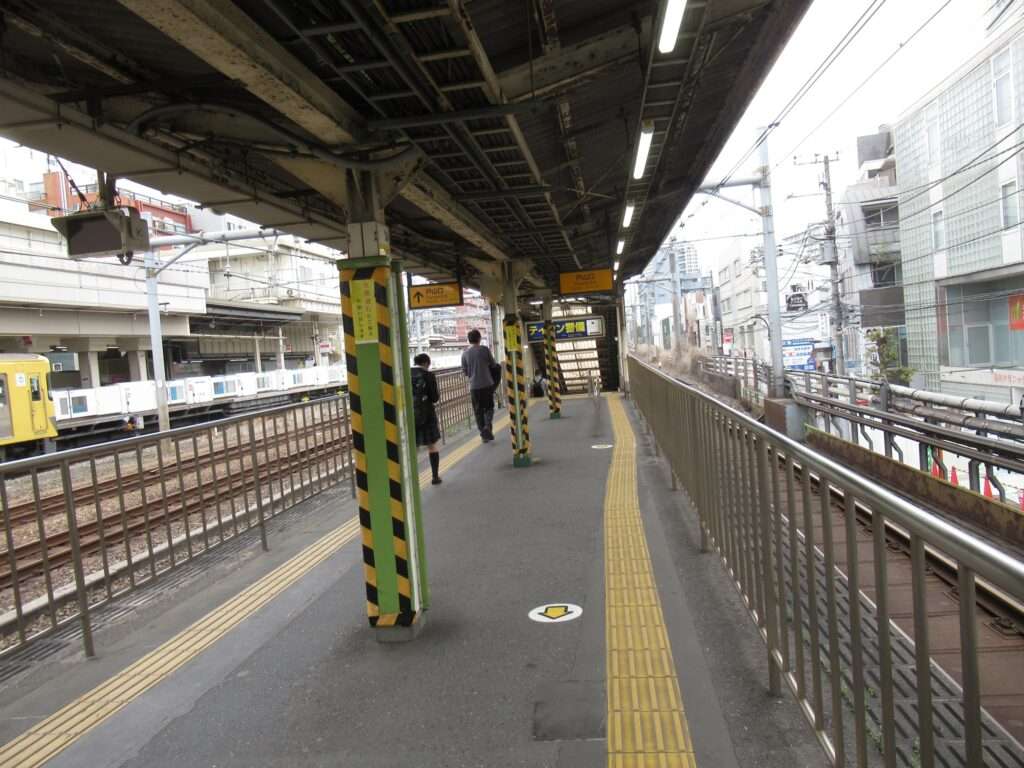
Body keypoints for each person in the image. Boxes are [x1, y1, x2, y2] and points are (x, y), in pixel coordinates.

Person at [411, 353, 443, 485]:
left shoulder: (406, 374)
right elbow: (435, 397)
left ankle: (412, 480)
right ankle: (435, 477)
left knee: (414, 448)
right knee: (432, 445)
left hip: (411, 414)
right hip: (427, 414)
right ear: (426, 363)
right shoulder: (429, 375)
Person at [461, 329, 497, 442]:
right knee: (489, 407)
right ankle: (487, 427)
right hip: (487, 384)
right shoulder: (485, 350)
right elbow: (493, 364)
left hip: (474, 387)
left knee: (478, 411)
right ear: (479, 338)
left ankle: (483, 433)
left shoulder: (465, 353)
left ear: (469, 340)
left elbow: (465, 371)